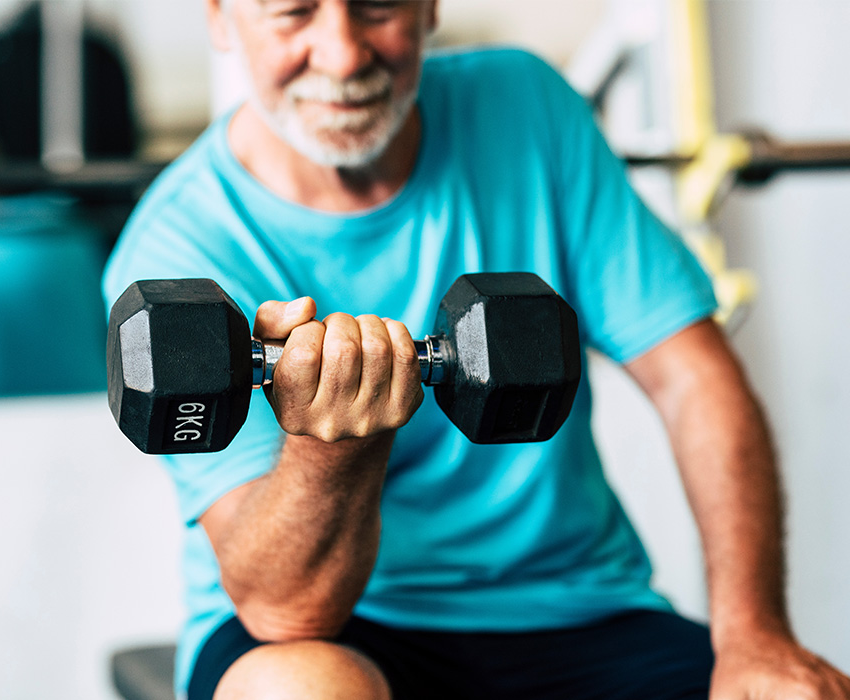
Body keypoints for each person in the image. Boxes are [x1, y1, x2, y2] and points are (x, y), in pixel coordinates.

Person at [102, 2, 850, 699]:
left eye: (377, 5)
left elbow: (692, 377)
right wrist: (337, 444)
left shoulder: (525, 108)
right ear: (222, 18)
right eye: (294, 10)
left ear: (429, 6)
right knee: (296, 687)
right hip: (340, 628)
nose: (342, 52)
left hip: (575, 611)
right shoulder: (177, 246)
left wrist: (754, 634)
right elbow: (284, 610)